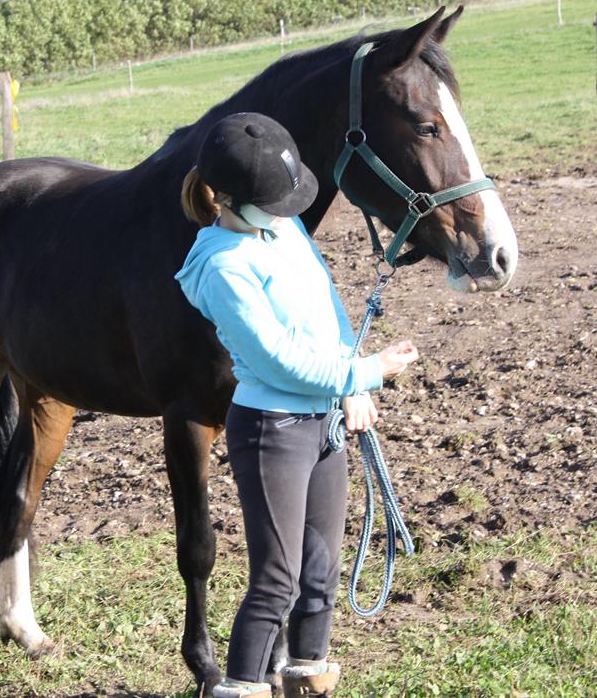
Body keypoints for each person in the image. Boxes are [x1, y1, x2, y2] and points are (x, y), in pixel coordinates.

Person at [174, 112, 418, 698]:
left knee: (320, 572)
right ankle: (241, 686)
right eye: (275, 202)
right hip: (274, 429)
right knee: (276, 580)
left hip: (325, 421)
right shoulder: (222, 268)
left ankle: (307, 681)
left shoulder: (281, 227)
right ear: (229, 199)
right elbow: (279, 359)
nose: (288, 211)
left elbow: (326, 306)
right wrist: (368, 370)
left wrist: (351, 386)